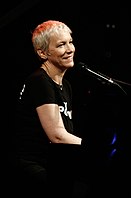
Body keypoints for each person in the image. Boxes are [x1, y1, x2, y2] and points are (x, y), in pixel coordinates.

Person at [10, 19, 84, 197]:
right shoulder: (40, 81)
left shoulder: (65, 86)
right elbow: (57, 135)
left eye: (70, 42)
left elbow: (67, 130)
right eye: (61, 45)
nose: (70, 49)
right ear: (42, 53)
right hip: (35, 168)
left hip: (54, 166)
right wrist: (91, 149)